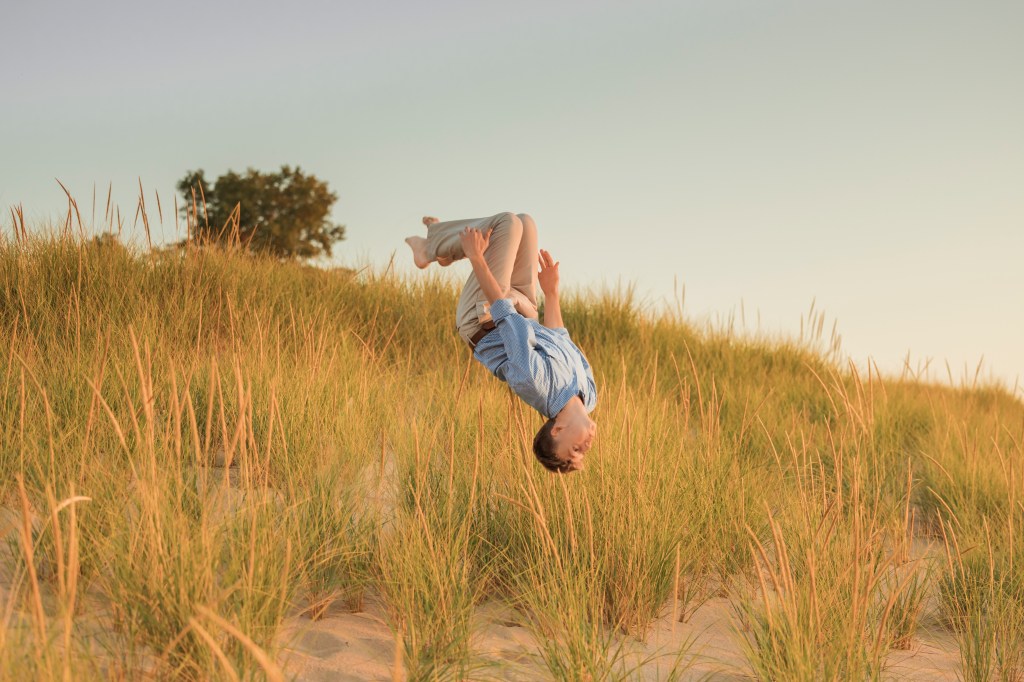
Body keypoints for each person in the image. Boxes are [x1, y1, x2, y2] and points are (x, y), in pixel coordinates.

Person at [405, 212, 597, 473]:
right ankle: (443, 245)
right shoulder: (590, 396)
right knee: (526, 223)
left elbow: (503, 314)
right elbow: (558, 339)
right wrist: (551, 293)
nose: (585, 449)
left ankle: (430, 248)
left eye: (574, 450)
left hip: (483, 318)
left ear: (558, 429)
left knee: (507, 223)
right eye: (581, 455)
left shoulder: (534, 383)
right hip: (524, 312)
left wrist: (476, 257)